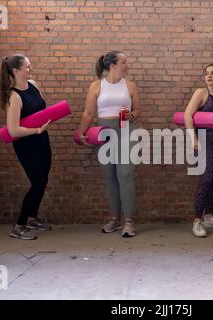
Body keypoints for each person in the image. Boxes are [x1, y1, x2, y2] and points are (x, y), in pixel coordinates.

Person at [77, 50, 141, 237]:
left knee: (125, 173)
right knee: (110, 177)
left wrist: (132, 115)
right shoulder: (96, 86)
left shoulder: (130, 86)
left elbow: (138, 110)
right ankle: (114, 218)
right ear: (112, 65)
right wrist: (81, 133)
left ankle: (128, 221)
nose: (127, 65)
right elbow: (88, 113)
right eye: (124, 62)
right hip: (104, 133)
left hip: (126, 130)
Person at [0, 54, 53, 240]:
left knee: (43, 179)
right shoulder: (14, 97)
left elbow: (40, 110)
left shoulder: (34, 85)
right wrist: (37, 130)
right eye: (27, 67)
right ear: (15, 71)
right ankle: (19, 225)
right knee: (37, 182)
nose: (31, 69)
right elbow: (13, 130)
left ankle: (32, 218)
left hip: (42, 137)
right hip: (26, 143)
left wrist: (46, 121)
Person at [184, 63, 213, 238]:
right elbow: (188, 115)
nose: (209, 76)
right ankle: (197, 220)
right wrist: (192, 138)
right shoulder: (200, 93)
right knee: (206, 178)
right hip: (202, 141)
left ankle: (209, 216)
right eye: (206, 73)